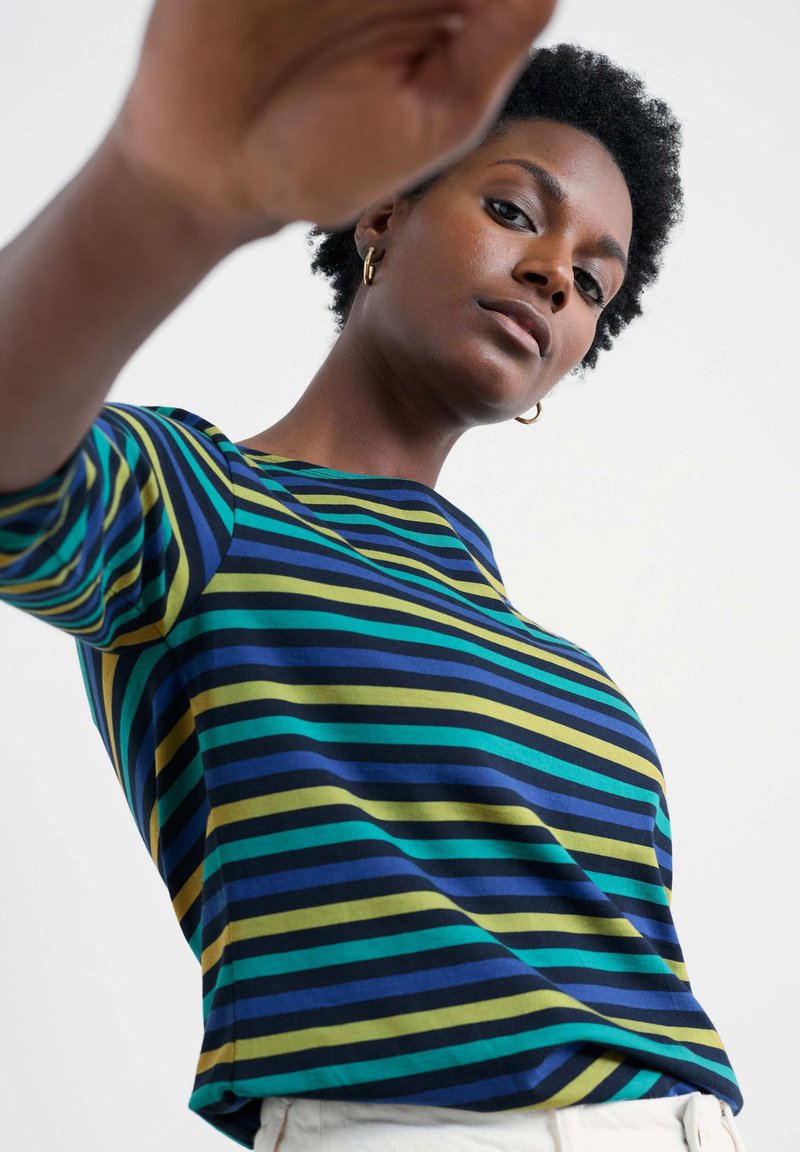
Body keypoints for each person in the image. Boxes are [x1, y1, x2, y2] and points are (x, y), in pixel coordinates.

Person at [0, 2, 746, 1149]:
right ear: (383, 216)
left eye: (592, 284)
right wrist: (159, 191)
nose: (553, 275)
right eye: (513, 212)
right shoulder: (205, 509)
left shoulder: (562, 666)